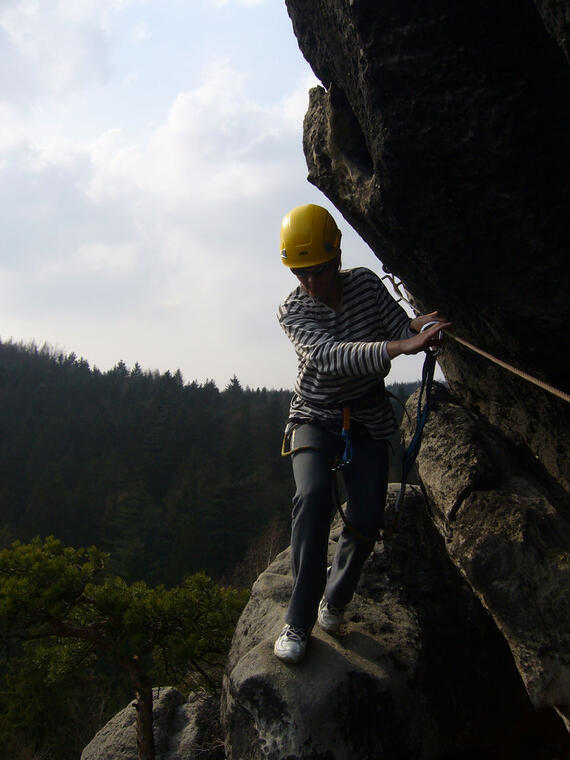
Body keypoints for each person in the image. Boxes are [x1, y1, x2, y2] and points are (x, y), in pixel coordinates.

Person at [274, 203, 450, 664]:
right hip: (314, 415)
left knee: (367, 517)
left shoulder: (366, 285)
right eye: (301, 272)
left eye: (318, 270)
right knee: (312, 496)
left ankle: (335, 598)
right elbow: (329, 356)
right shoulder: (293, 310)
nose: (311, 281)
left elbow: (396, 325)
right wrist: (401, 345)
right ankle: (298, 619)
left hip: (368, 417)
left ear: (336, 258)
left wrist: (418, 325)